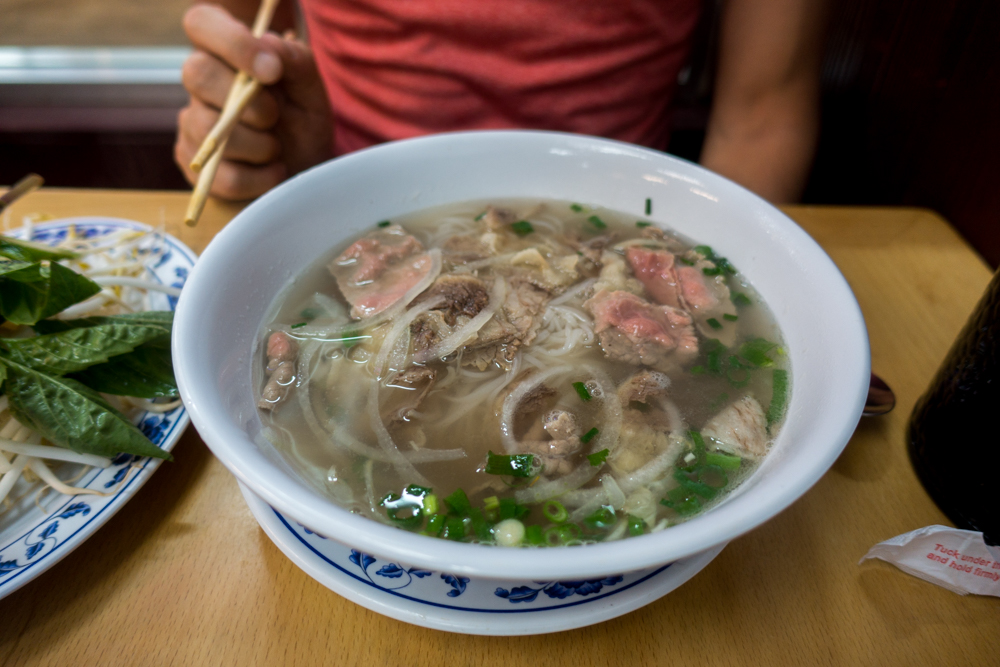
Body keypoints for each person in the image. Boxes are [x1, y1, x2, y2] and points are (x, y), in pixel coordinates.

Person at [174, 0, 827, 204]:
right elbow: (241, 48)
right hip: (341, 200)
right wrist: (256, 139)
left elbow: (762, 118)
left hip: (623, 211)